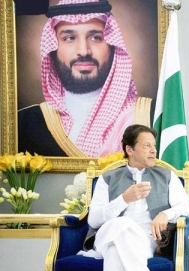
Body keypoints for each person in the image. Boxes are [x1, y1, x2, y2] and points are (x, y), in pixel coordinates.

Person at [76, 124, 189, 271]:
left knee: (117, 261)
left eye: (154, 145)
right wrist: (123, 200)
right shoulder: (108, 178)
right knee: (123, 225)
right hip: (107, 234)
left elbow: (187, 207)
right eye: (146, 145)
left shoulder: (166, 175)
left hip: (144, 243)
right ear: (130, 149)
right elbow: (95, 219)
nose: (153, 150)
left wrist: (165, 214)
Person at [18, 0, 153, 158]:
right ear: (53, 49)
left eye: (95, 38)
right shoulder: (25, 123)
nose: (83, 51)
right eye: (69, 38)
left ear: (112, 46)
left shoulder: (146, 116)